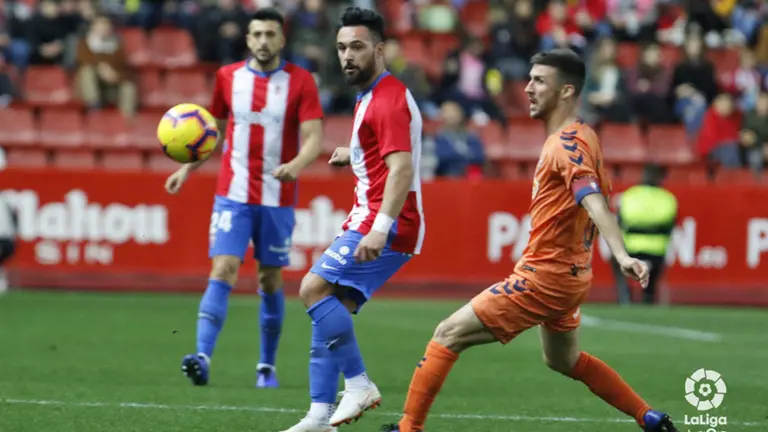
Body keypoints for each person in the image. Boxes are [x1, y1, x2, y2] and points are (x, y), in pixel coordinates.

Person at [382, 49, 678, 432]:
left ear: (566, 91)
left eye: (539, 80)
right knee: (564, 361)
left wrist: (621, 254)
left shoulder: (565, 144)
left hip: (546, 277)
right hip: (570, 275)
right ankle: (649, 417)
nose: (528, 88)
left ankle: (408, 429)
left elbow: (591, 198)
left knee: (447, 334)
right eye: (530, 79)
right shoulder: (584, 136)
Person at [281, 7, 425, 432]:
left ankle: (359, 385)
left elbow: (401, 169)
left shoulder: (388, 99)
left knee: (311, 289)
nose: (347, 56)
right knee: (331, 305)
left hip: (387, 220)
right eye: (342, 47)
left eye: (358, 47)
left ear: (380, 50)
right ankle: (318, 417)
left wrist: (381, 228)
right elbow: (385, 153)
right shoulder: (372, 95)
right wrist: (355, 153)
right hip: (379, 216)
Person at [164, 8, 324, 389]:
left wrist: (296, 164)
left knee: (269, 280)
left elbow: (315, 137)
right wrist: (187, 167)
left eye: (271, 34)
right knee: (223, 269)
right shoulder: (227, 78)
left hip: (277, 196)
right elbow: (210, 131)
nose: (264, 41)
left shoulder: (301, 82)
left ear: (282, 39)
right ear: (248, 39)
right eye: (257, 34)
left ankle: (266, 366)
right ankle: (202, 357)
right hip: (232, 194)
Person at [613, 164, 678, 305]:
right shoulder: (668, 199)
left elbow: (619, 223)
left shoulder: (629, 196)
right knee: (651, 280)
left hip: (631, 249)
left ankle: (625, 295)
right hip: (657, 252)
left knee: (616, 259)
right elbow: (670, 226)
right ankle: (648, 296)